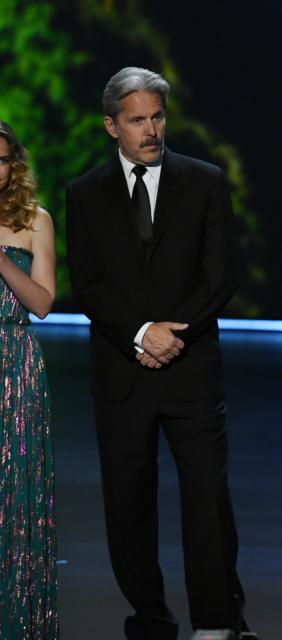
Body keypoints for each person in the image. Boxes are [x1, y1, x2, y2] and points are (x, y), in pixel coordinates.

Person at [66, 67, 253, 639]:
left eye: (157, 117)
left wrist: (174, 334)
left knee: (206, 498)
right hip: (123, 372)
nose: (151, 130)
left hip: (191, 367)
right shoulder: (85, 192)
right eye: (137, 120)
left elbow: (221, 277)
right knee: (128, 503)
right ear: (111, 126)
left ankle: (217, 620)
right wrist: (142, 332)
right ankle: (150, 614)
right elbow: (89, 284)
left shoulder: (204, 182)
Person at [0, 121, 58, 638]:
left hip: (14, 364)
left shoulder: (34, 220)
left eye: (0, 160)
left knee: (14, 495)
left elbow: (42, 303)